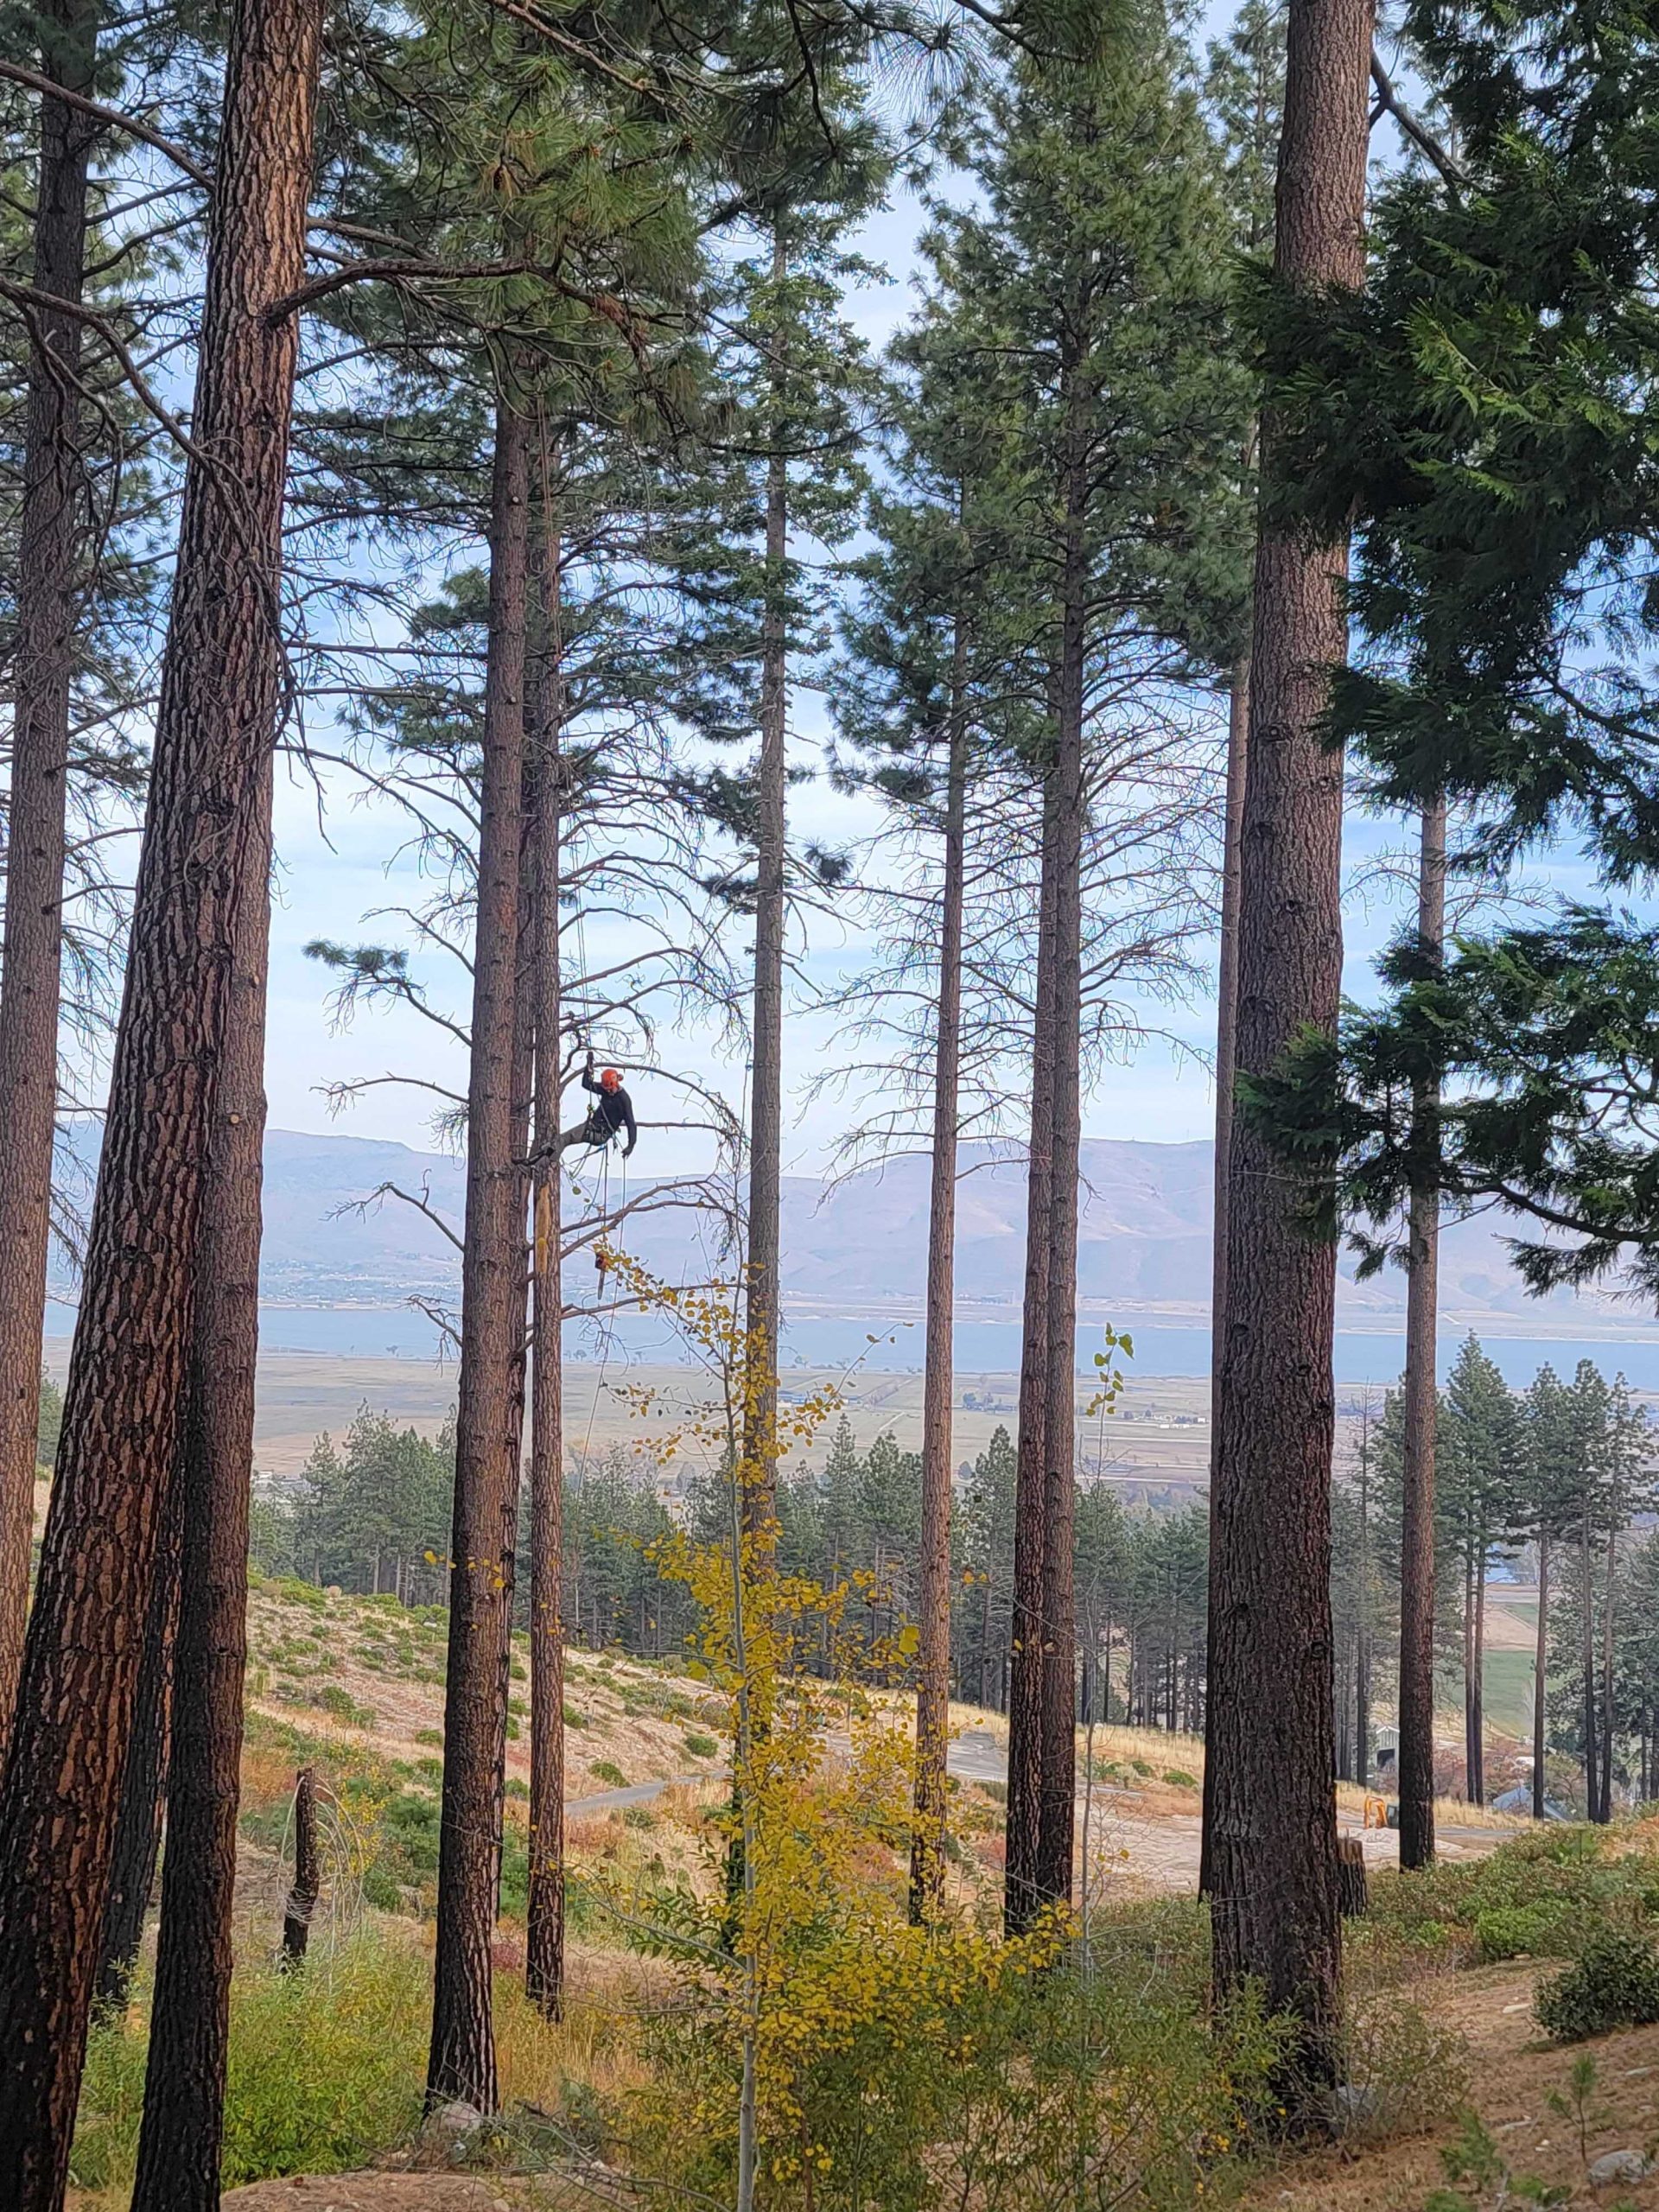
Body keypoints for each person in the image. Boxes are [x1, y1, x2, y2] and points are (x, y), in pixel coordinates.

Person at [555, 1052, 636, 1159]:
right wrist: (588, 1065)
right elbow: (586, 1084)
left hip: (600, 1133)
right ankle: (546, 1154)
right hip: (593, 1127)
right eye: (606, 1089)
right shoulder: (605, 1090)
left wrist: (630, 1146)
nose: (608, 1092)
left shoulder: (624, 1100)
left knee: (564, 1139)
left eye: (610, 1089)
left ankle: (548, 1159)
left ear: (616, 1084)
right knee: (561, 1140)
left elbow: (631, 1124)